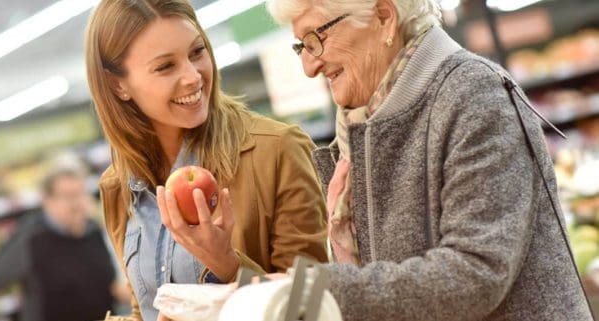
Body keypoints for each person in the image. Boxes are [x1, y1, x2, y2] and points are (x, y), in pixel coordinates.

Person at [262, 0, 593, 320]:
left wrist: (318, 290)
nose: (309, 66)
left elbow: (476, 273)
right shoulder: (363, 128)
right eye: (300, 46)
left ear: (383, 17)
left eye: (315, 38)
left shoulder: (473, 93)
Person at [84, 0, 329, 320]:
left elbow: (311, 306)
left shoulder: (278, 151)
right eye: (165, 66)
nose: (193, 77)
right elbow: (147, 307)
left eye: (197, 52)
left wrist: (226, 262)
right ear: (118, 84)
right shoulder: (118, 185)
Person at [0, 167, 129, 321]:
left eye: (80, 194)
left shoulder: (93, 231)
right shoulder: (32, 240)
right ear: (47, 200)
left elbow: (110, 283)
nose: (77, 203)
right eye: (68, 196)